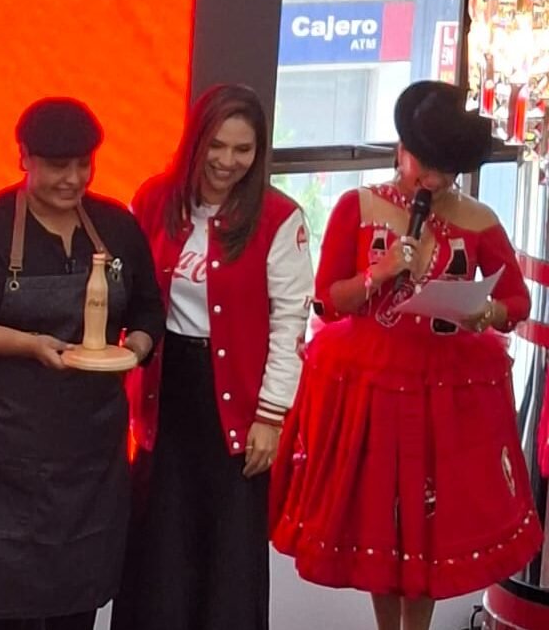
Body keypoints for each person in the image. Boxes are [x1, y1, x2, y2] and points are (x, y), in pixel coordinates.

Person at [270, 80, 541, 630]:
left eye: (446, 171)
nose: (432, 181)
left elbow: (517, 301)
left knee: (429, 526)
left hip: (447, 391)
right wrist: (384, 269)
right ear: (402, 150)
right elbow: (329, 299)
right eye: (425, 165)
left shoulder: (480, 220)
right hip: (369, 385)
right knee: (379, 523)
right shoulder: (357, 206)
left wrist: (484, 311)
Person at [0, 97, 166, 630]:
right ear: (24, 158)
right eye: (58, 166)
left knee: (72, 599)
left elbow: (149, 308)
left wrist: (136, 348)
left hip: (87, 448)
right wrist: (31, 345)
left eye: (83, 165)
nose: (73, 179)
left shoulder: (116, 226)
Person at [112, 84, 313, 630]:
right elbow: (132, 292)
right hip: (167, 388)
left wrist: (271, 416)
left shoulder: (279, 217)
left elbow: (290, 323)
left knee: (229, 552)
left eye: (243, 149)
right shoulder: (155, 200)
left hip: (238, 398)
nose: (227, 161)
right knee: (160, 543)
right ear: (195, 142)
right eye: (217, 146)